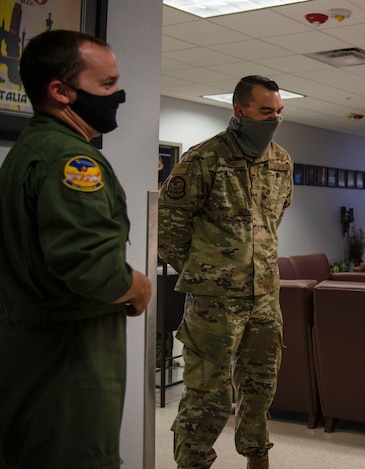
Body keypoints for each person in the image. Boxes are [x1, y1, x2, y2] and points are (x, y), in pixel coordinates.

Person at [0, 29, 152, 468]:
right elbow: (92, 267)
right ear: (61, 91)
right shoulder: (72, 161)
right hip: (70, 358)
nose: (118, 96)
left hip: (28, 350)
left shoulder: (27, 151)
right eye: (107, 86)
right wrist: (137, 285)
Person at [159, 75, 294, 469]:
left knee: (260, 386)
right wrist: (206, 273)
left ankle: (257, 456)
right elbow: (169, 230)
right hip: (213, 304)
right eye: (265, 111)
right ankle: (193, 462)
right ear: (240, 110)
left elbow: (272, 219)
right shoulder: (203, 160)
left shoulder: (281, 161)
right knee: (207, 395)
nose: (274, 119)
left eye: (279, 112)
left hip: (265, 298)